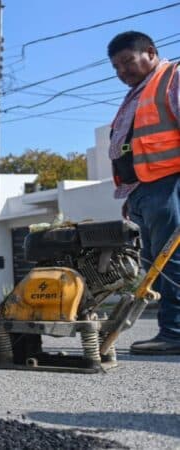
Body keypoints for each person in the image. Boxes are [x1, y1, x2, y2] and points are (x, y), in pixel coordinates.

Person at [108, 31, 180, 355]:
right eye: (116, 67)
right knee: (155, 269)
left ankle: (175, 334)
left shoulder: (171, 78)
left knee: (172, 264)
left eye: (126, 61)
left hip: (169, 186)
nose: (122, 71)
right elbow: (132, 149)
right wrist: (130, 193)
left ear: (149, 52)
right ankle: (171, 331)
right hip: (145, 192)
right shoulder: (137, 93)